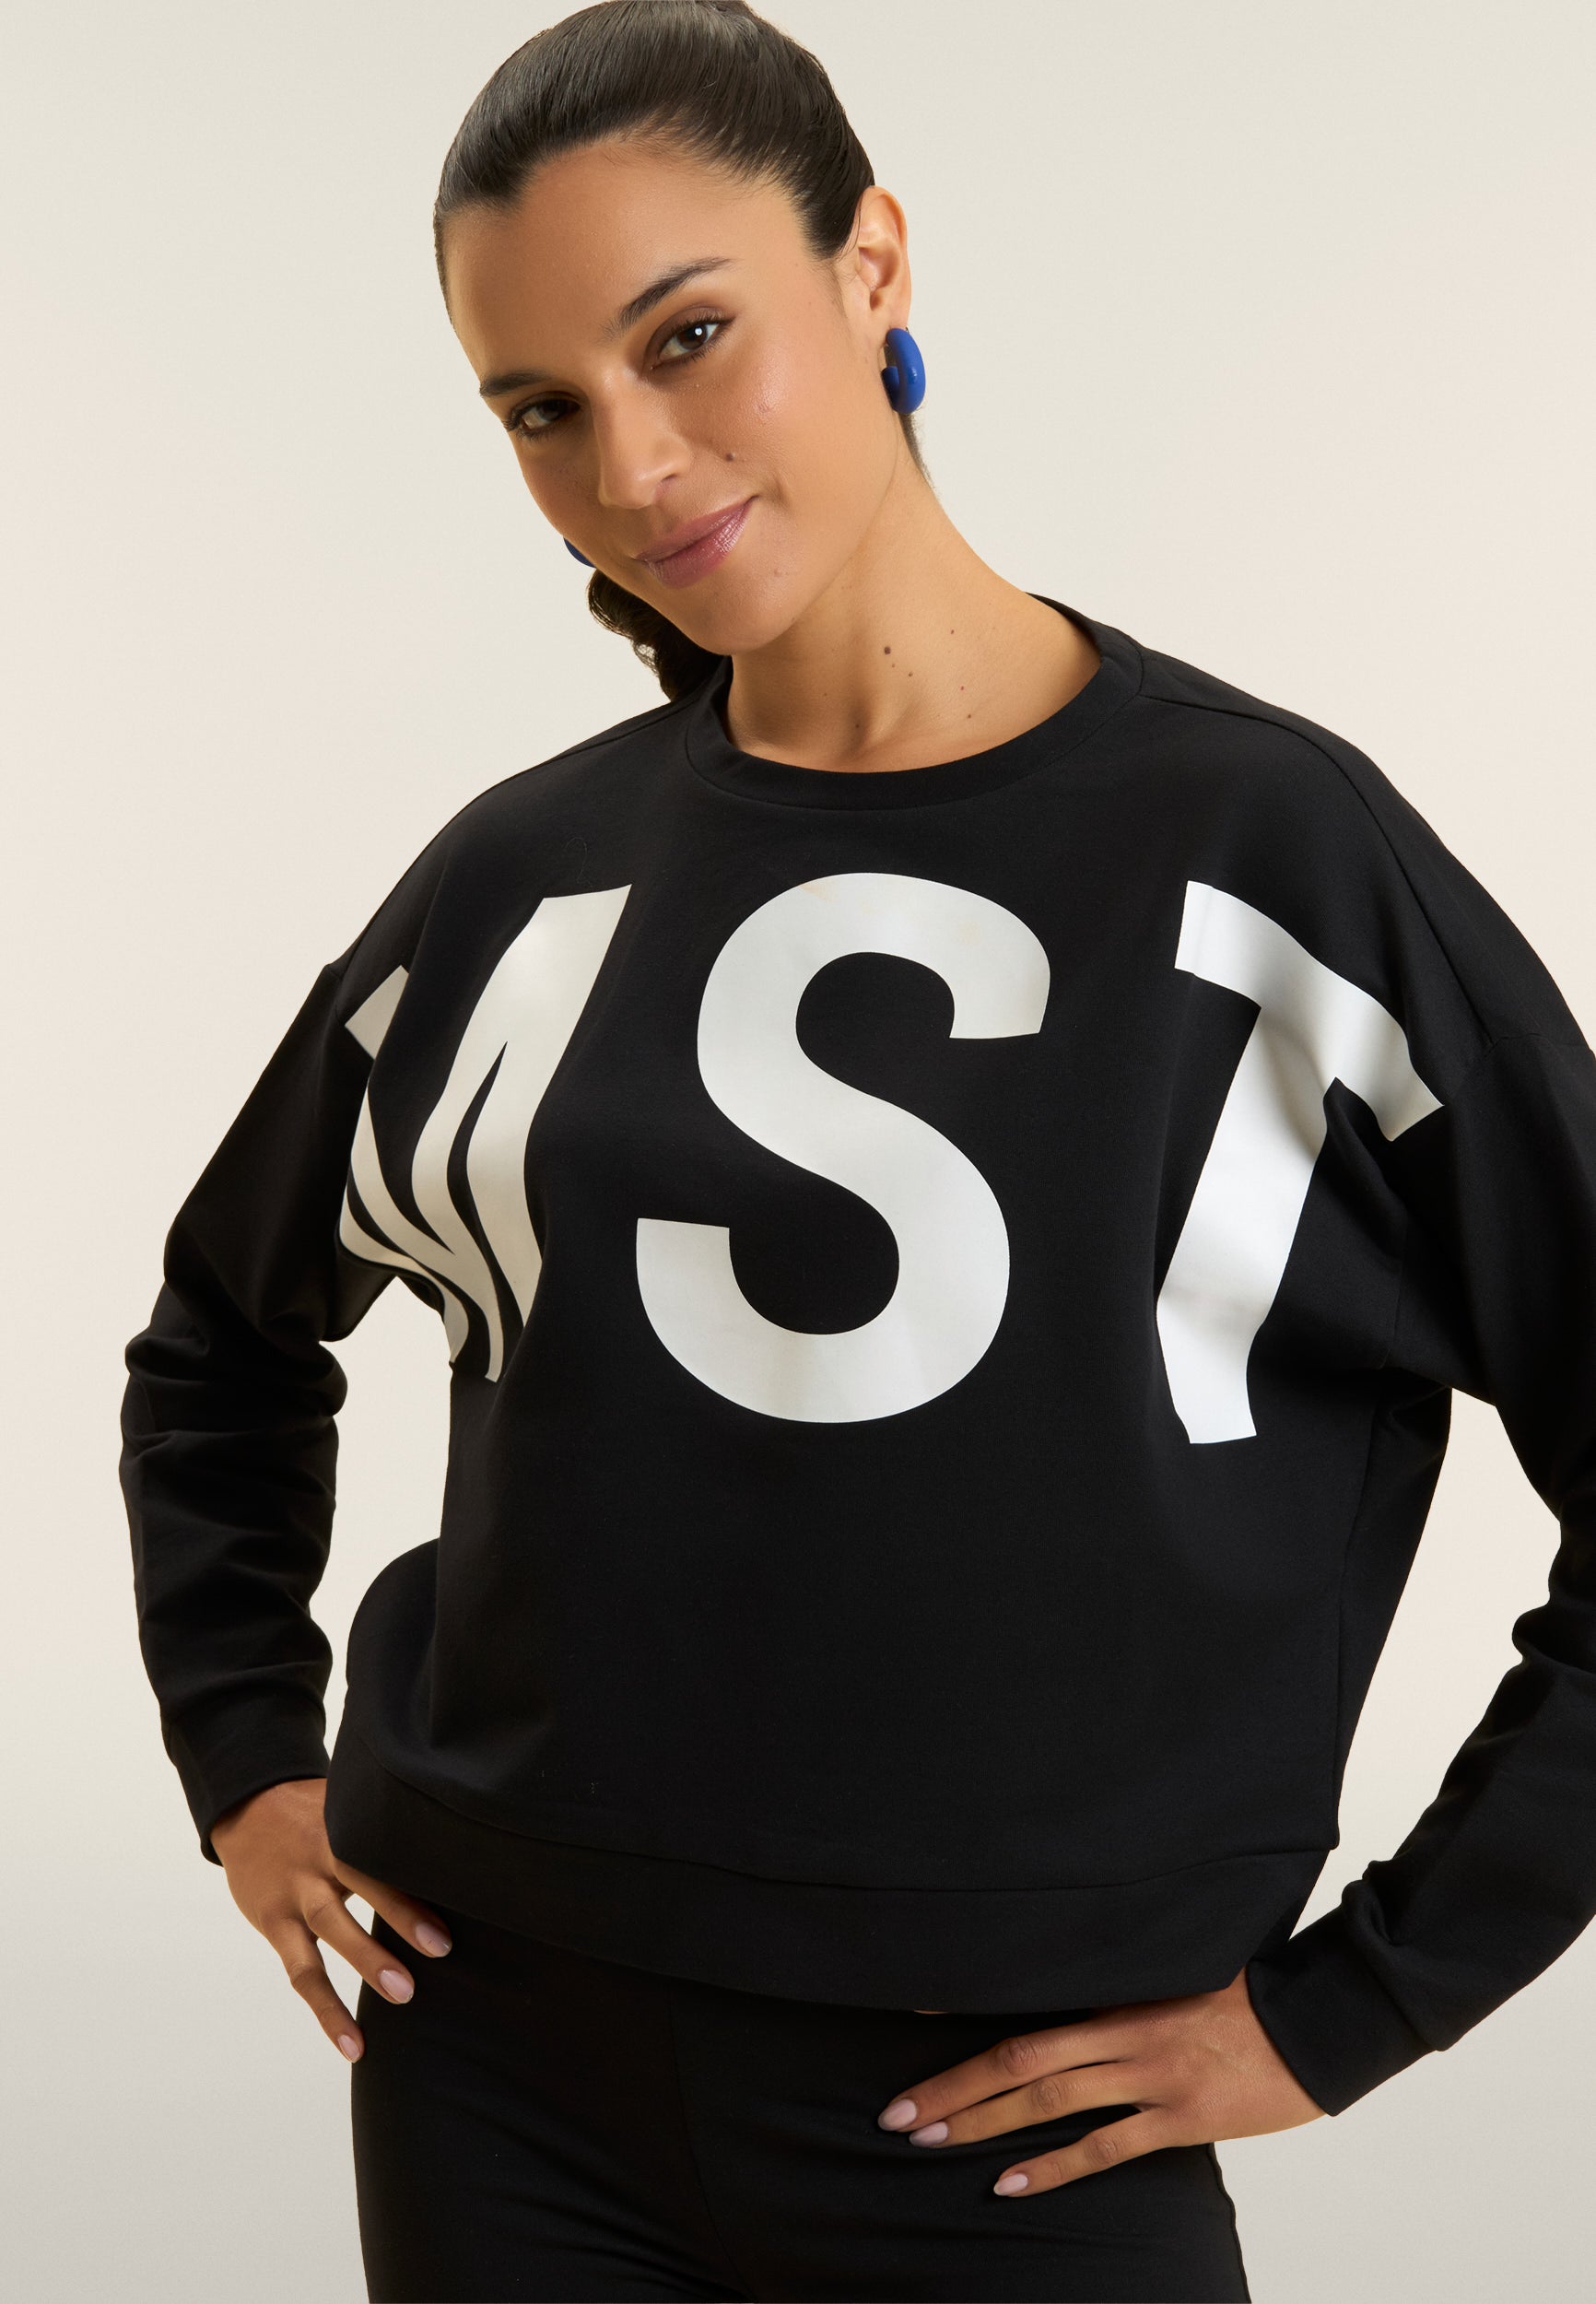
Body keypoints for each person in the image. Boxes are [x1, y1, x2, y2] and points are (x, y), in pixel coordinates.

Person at [120, 4, 1596, 2299]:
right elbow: (222, 1337)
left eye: (686, 336)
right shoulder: (522, 877)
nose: (632, 464)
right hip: (492, 2068)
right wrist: (243, 1752)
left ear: (872, 264)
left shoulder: (1268, 854)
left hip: (1011, 2132)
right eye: (540, 408)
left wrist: (1356, 2003)